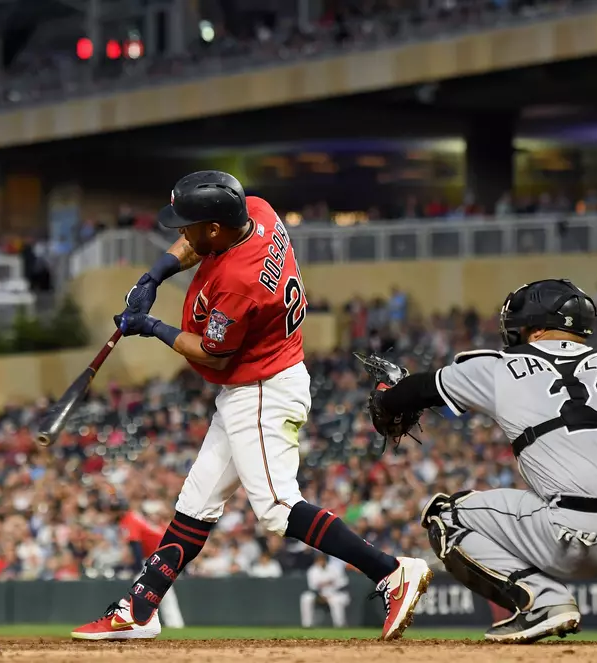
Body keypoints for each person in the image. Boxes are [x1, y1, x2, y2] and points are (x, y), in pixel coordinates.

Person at [70, 170, 431, 641]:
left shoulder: (240, 281)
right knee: (196, 503)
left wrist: (151, 326)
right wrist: (155, 274)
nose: (181, 232)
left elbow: (210, 350)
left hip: (262, 390)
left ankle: (389, 571)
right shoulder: (255, 210)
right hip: (260, 381)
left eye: (188, 223)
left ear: (216, 228)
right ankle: (140, 608)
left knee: (278, 508)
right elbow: (198, 243)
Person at [364, 279, 597, 644]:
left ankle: (544, 601)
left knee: (445, 516)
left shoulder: (499, 367)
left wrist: (386, 402)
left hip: (575, 538)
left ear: (533, 326)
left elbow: (421, 388)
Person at [119, 507, 185, 629]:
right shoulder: (136, 519)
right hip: (163, 558)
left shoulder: (130, 519)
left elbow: (136, 547)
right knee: (165, 595)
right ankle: (175, 625)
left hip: (158, 558)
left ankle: (137, 623)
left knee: (139, 591)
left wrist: (137, 569)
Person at [300, 554, 351, 628]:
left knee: (335, 601)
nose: (321, 561)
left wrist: (330, 590)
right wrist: (320, 596)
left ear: (326, 560)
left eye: (322, 559)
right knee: (306, 598)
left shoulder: (335, 568)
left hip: (335, 594)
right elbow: (312, 587)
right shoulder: (313, 570)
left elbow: (343, 583)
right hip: (320, 595)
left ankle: (340, 625)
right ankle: (307, 624)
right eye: (319, 560)